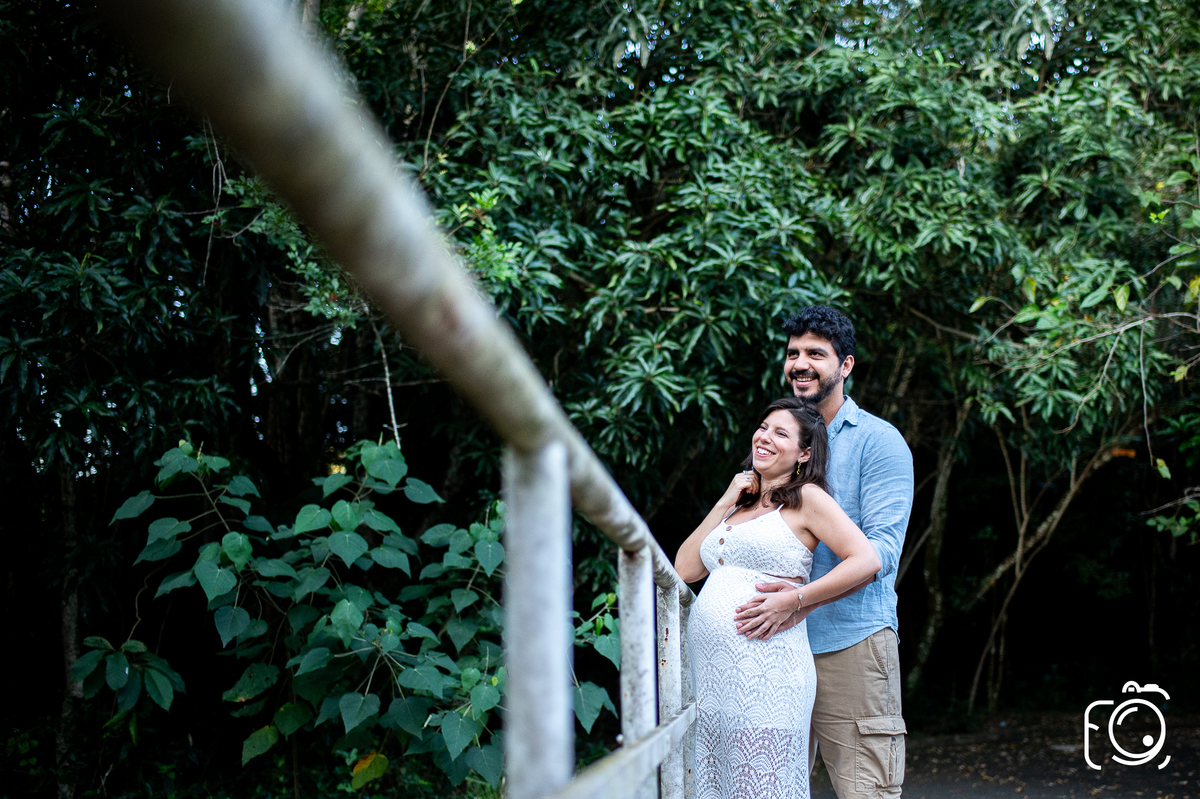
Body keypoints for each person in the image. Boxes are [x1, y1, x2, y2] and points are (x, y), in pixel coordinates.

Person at [735, 305, 914, 798]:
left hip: (849, 643)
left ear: (846, 366)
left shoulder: (880, 443)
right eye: (793, 353)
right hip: (771, 648)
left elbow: (882, 555)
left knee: (865, 790)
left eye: (816, 353)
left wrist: (797, 600)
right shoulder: (777, 444)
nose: (801, 363)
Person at [675, 398, 881, 799]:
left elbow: (866, 560)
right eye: (764, 427)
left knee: (761, 787)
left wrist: (797, 600)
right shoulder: (739, 505)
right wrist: (727, 499)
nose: (764, 437)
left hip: (768, 674)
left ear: (804, 453)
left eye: (780, 433)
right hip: (714, 683)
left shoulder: (806, 498)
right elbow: (684, 569)